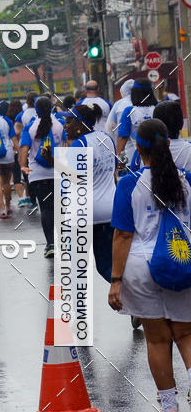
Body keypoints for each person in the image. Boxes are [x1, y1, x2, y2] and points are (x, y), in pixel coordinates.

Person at [109, 119, 191, 412]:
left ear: (138, 149)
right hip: (180, 259)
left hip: (141, 268)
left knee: (157, 341)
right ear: (168, 144)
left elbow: (123, 235)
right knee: (186, 333)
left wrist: (116, 281)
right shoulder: (186, 181)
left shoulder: (129, 184)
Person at [63, 103, 116, 282]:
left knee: (76, 269)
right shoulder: (106, 138)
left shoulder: (79, 145)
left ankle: (77, 308)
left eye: (69, 122)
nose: (65, 126)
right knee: (107, 265)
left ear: (80, 124)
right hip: (109, 211)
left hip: (83, 214)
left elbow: (75, 181)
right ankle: (133, 301)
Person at [19, 95, 65, 258]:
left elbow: (24, 148)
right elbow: (66, 145)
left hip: (37, 174)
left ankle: (50, 244)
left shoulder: (30, 126)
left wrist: (23, 166)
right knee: (60, 208)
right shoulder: (60, 124)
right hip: (58, 171)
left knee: (45, 209)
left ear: (35, 110)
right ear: (52, 107)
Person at [116, 79, 156, 162]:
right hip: (159, 158)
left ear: (134, 93)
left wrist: (118, 159)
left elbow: (122, 138)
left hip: (137, 161)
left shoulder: (129, 111)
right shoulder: (158, 108)